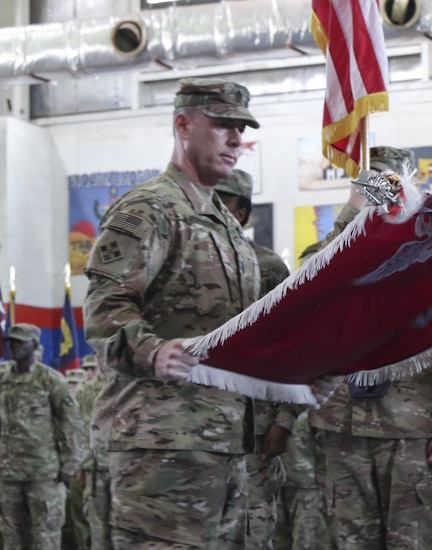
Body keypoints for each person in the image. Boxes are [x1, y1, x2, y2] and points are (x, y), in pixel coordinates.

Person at [83, 78, 263, 548]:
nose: (235, 140)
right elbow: (105, 309)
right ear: (183, 124)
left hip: (222, 441)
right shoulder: (150, 208)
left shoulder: (226, 226)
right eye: (222, 124)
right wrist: (152, 351)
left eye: (241, 128)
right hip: (160, 444)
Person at [306, 146, 432, 549]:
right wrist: (351, 215)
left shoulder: (431, 259)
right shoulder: (329, 255)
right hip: (342, 432)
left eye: (389, 189)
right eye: (372, 190)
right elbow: (307, 284)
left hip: (411, 436)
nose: (381, 201)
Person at [215, 169, 300, 549]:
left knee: (254, 530)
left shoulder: (267, 267)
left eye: (223, 201)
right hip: (197, 425)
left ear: (243, 213)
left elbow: (293, 347)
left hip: (256, 427)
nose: (212, 208)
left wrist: (284, 419)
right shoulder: (184, 260)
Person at [0, 322, 84, 549]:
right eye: (11, 342)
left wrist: (70, 465)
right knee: (11, 536)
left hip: (43, 473)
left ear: (35, 345)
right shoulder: (2, 377)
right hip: (7, 473)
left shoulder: (50, 380)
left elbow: (71, 422)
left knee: (44, 535)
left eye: (20, 341)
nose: (14, 346)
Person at [272, 410, 333, 549]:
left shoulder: (310, 409)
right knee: (278, 536)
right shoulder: (271, 406)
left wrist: (323, 470)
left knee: (307, 537)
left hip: (306, 483)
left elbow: (324, 440)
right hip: (278, 480)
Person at [75, 353, 110, 550]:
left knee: (127, 526)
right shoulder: (85, 393)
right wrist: (82, 465)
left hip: (125, 467)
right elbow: (79, 429)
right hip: (95, 468)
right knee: (97, 526)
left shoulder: (129, 387)